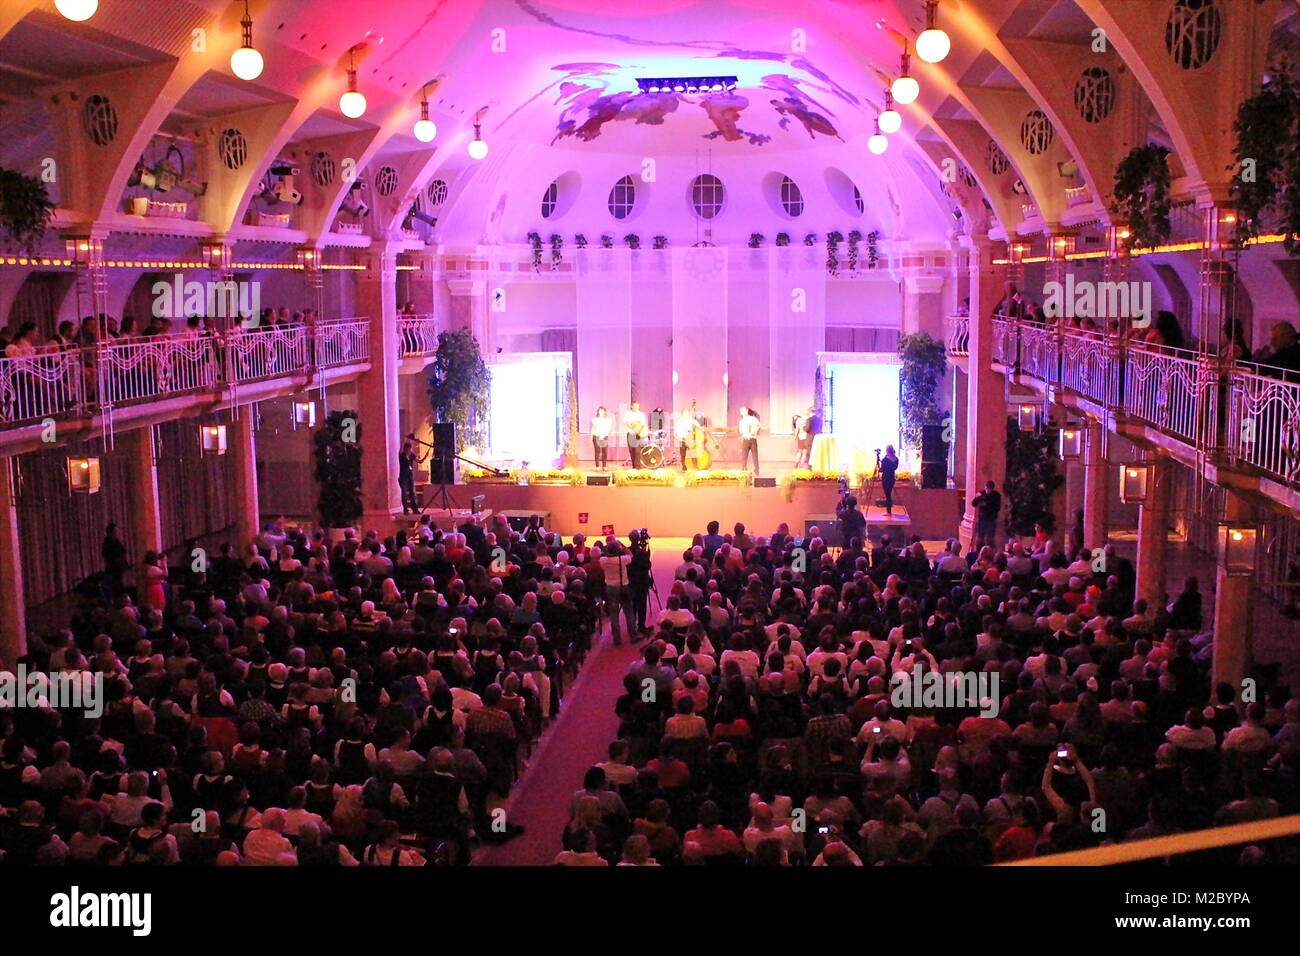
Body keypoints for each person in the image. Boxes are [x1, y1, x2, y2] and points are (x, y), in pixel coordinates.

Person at [971, 480, 1001, 547]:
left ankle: (989, 551)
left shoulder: (996, 496)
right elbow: (973, 503)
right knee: (980, 537)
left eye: (989, 489)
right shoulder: (981, 493)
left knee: (990, 538)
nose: (987, 490)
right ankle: (979, 550)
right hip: (982, 519)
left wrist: (987, 504)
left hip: (991, 519)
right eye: (986, 488)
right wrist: (977, 498)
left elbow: (997, 508)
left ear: (992, 489)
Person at [398, 438, 424, 515]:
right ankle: (405, 510)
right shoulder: (402, 455)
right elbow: (399, 450)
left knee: (412, 493)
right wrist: (404, 440)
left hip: (410, 476)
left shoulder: (412, 455)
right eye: (408, 449)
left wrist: (426, 455)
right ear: (405, 449)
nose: (409, 451)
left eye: (410, 449)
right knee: (404, 493)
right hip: (403, 477)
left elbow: (420, 461)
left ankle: (415, 509)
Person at [624, 401, 648, 469]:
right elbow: (625, 422)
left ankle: (638, 467)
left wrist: (640, 431)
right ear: (632, 406)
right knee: (632, 451)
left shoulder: (641, 414)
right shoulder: (628, 414)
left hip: (638, 434)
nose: (636, 407)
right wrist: (631, 425)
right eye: (635, 406)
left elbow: (643, 424)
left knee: (637, 451)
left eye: (638, 406)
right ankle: (634, 466)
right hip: (631, 434)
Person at [738, 406, 761, 475]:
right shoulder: (741, 421)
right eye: (741, 411)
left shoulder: (753, 419)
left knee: (755, 455)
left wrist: (754, 431)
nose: (742, 412)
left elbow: (758, 426)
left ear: (747, 410)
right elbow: (740, 431)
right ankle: (744, 468)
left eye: (743, 411)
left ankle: (756, 470)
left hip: (752, 439)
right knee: (744, 455)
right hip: (745, 439)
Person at [591, 405, 613, 470]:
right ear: (598, 412)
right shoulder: (595, 419)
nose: (601, 412)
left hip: (604, 436)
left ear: (604, 412)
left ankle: (604, 466)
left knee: (605, 451)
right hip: (596, 436)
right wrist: (591, 436)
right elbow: (593, 428)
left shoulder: (607, 420)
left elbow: (609, 429)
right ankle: (597, 466)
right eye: (600, 411)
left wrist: (604, 435)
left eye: (602, 411)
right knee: (597, 451)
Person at [879, 444, 899, 515]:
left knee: (887, 495)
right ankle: (889, 510)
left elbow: (882, 469)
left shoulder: (885, 459)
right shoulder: (896, 459)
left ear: (887, 450)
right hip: (892, 477)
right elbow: (895, 468)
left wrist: (879, 469)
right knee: (889, 494)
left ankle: (888, 511)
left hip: (885, 478)